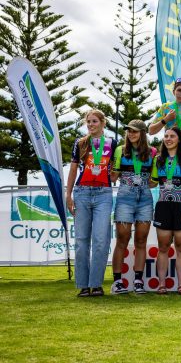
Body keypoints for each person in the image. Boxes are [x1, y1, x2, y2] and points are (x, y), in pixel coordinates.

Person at [66, 110, 117, 297]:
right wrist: (68, 194)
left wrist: (114, 173)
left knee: (101, 241)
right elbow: (73, 169)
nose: (91, 124)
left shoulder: (112, 143)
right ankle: (83, 285)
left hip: (103, 193)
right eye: (88, 121)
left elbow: (115, 170)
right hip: (82, 192)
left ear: (103, 123)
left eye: (94, 121)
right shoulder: (80, 143)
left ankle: (96, 284)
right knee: (81, 241)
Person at [109, 120, 157, 295]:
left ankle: (138, 281)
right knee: (122, 238)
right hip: (125, 198)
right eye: (129, 131)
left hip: (145, 198)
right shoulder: (120, 150)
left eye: (135, 131)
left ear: (143, 133)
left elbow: (153, 181)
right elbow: (113, 176)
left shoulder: (152, 152)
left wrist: (142, 182)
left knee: (141, 240)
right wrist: (113, 171)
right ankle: (117, 282)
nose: (131, 134)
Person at [151, 127, 181, 294]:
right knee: (163, 247)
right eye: (166, 136)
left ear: (179, 140)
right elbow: (152, 182)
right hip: (163, 206)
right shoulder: (158, 160)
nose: (168, 139)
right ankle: (161, 284)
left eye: (172, 136)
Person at [149, 77, 181, 160]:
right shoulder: (165, 107)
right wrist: (166, 119)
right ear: (174, 92)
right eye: (179, 90)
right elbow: (151, 131)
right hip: (169, 149)